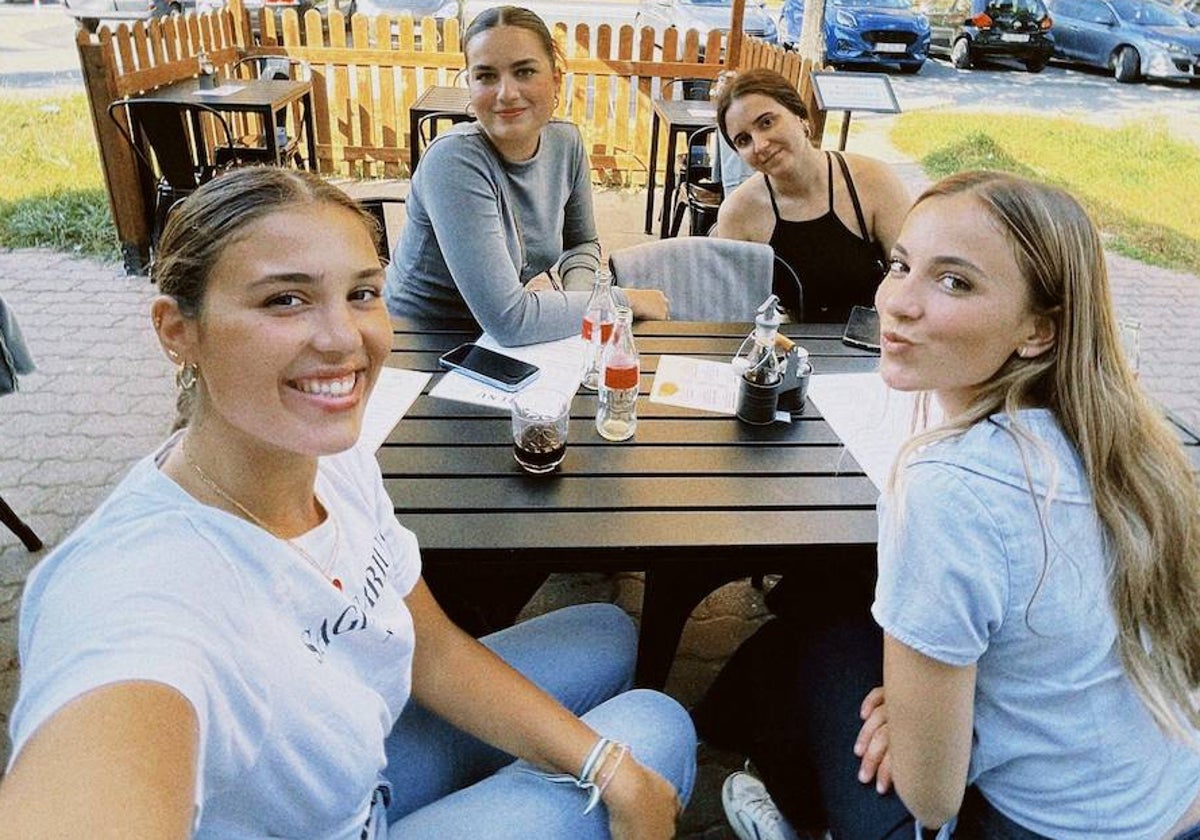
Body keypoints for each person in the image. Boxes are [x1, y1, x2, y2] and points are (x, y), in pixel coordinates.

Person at [0, 167, 697, 839]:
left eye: (362, 293)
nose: (342, 340)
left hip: (363, 762)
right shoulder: (135, 592)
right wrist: (619, 771)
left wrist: (603, 766)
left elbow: (426, 645)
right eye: (285, 299)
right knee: (658, 726)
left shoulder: (331, 458)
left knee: (608, 630)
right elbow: (97, 764)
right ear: (178, 331)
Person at [700, 172, 1200, 839]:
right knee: (840, 626)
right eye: (901, 264)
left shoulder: (946, 489)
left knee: (815, 641)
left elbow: (933, 799)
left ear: (1039, 331)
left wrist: (916, 725)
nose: (897, 303)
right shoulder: (1129, 439)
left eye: (954, 281)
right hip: (1170, 795)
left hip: (1054, 828)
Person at [384, 5, 668, 346]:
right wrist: (622, 300)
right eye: (486, 76)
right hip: (414, 345)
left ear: (555, 78)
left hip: (489, 343)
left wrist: (589, 304)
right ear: (470, 86)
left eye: (524, 72)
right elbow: (512, 320)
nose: (506, 93)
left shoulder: (566, 142)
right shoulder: (453, 161)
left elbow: (580, 243)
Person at [711, 68, 910, 323]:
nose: (760, 145)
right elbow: (738, 316)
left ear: (800, 116)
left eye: (767, 122)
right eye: (743, 140)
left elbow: (913, 277)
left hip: (875, 342)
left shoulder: (874, 181)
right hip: (790, 350)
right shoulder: (738, 213)